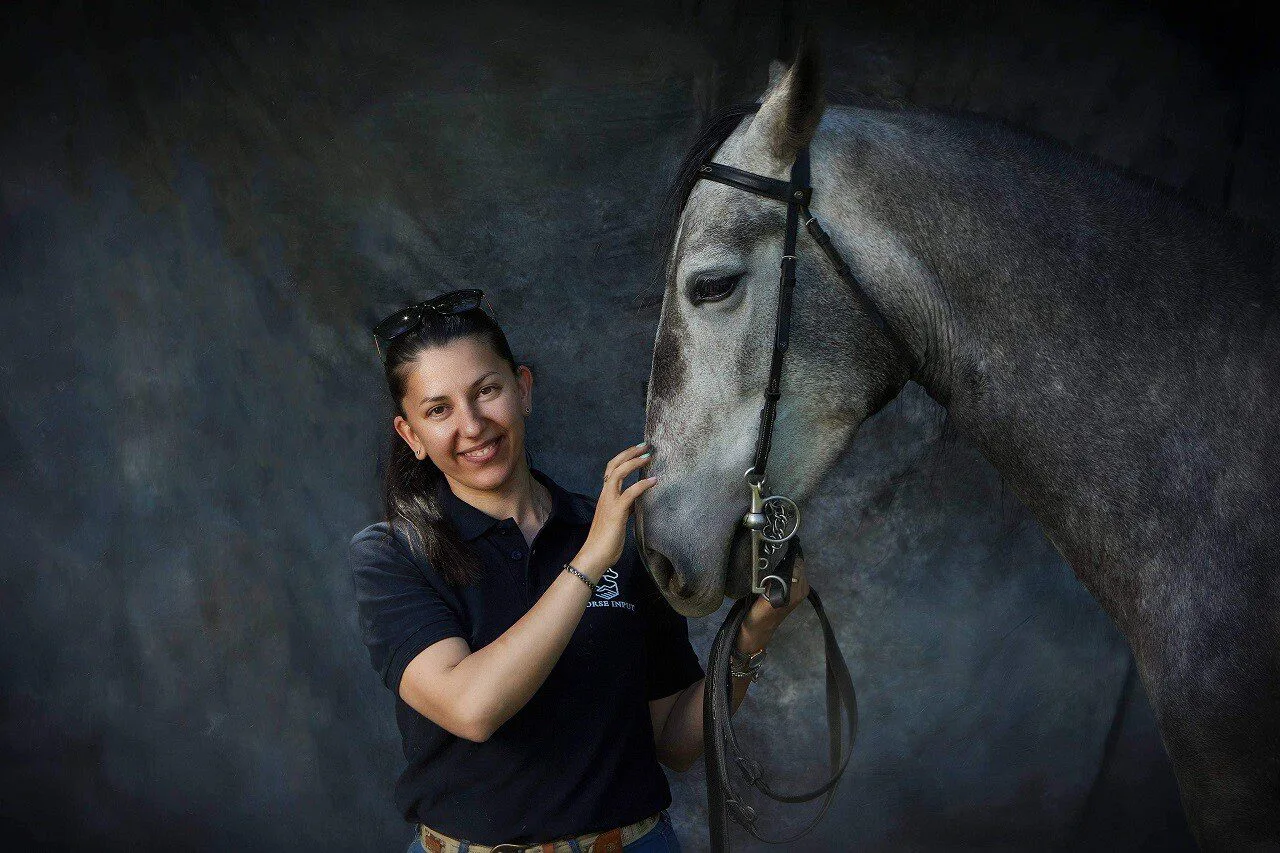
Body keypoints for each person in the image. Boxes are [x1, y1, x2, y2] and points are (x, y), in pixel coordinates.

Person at [349, 289, 809, 853]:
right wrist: (591, 559)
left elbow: (675, 740)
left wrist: (754, 631)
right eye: (438, 409)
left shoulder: (617, 534)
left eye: (486, 391)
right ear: (411, 436)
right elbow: (471, 707)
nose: (471, 425)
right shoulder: (393, 555)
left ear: (523, 390)